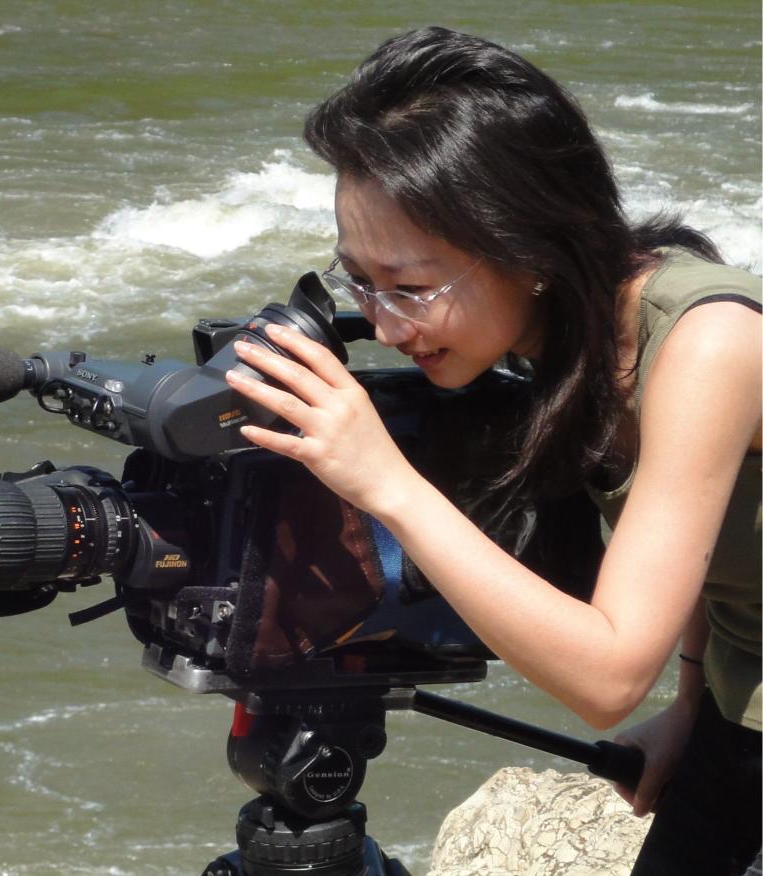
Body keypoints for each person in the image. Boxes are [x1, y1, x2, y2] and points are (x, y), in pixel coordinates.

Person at [223, 27, 761, 875]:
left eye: (410, 287)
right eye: (360, 281)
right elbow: (700, 541)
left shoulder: (710, 343)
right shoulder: (569, 333)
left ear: (530, 249)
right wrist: (691, 708)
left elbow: (610, 676)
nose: (386, 326)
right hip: (739, 702)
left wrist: (387, 483)